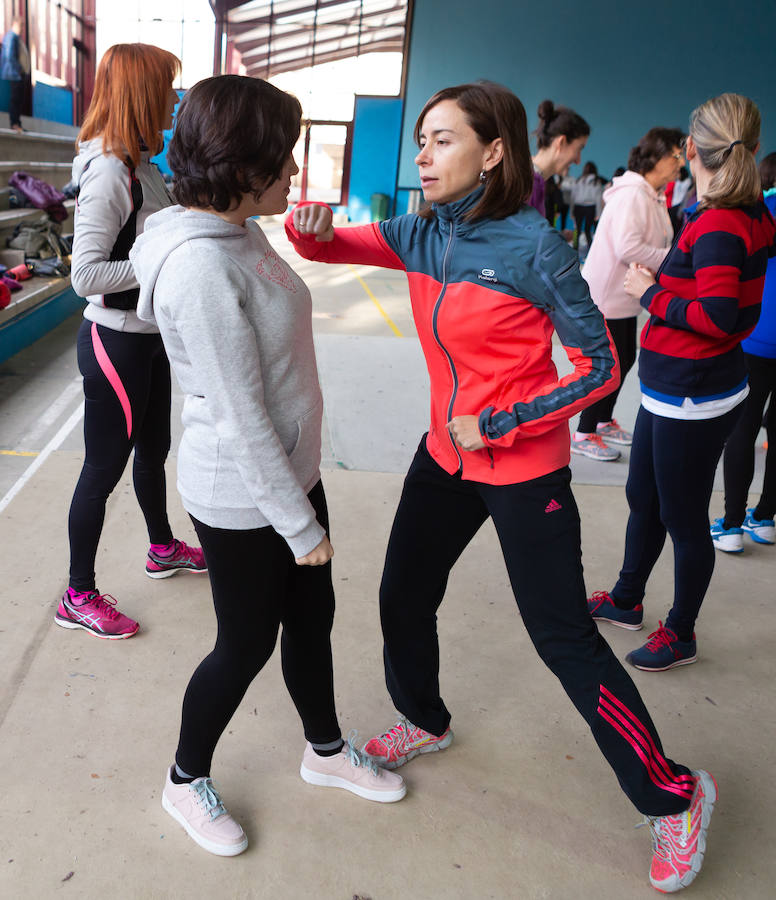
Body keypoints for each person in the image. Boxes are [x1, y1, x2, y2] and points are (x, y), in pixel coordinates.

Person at [287, 80, 717, 894]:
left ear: (493, 153)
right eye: (421, 139)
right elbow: (328, 247)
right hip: (442, 460)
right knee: (401, 597)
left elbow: (600, 366)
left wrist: (504, 420)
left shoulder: (536, 250)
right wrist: (308, 230)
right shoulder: (420, 233)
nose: (422, 153)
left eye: (442, 139)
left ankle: (676, 795)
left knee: (565, 642)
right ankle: (424, 717)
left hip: (520, 467)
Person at [130, 74, 405, 859]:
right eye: (283, 160)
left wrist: (309, 232)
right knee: (244, 643)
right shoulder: (199, 268)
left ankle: (323, 751)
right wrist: (297, 522)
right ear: (240, 166)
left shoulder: (239, 230)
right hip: (246, 496)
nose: (295, 173)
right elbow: (242, 414)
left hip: (290, 475)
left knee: (312, 621)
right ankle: (184, 779)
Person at [588, 94, 775, 675]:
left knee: (683, 516)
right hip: (673, 388)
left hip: (691, 397)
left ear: (692, 149)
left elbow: (721, 319)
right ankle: (625, 598)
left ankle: (681, 632)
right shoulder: (735, 210)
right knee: (643, 495)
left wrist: (650, 294)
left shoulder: (720, 221)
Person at [56, 44, 206, 642]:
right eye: (168, 88)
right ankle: (78, 594)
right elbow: (85, 277)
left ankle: (161, 548)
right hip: (114, 343)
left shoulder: (142, 166)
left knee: (153, 450)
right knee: (102, 469)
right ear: (141, 95)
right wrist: (159, 262)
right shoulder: (109, 174)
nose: (175, 98)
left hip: (149, 339)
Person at [573, 128, 684, 461]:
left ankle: (604, 422)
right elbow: (627, 246)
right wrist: (674, 260)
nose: (681, 163)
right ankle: (583, 432)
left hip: (626, 298)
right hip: (606, 296)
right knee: (608, 367)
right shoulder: (633, 194)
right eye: (676, 156)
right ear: (657, 157)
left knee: (625, 360)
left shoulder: (651, 192)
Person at [710, 151, 776, 551]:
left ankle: (732, 524)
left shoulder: (758, 212)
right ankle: (766, 518)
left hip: (755, 339)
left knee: (743, 427)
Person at [529, 99, 589, 219]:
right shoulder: (527, 185)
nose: (578, 161)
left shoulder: (535, 181)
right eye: (578, 149)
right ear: (561, 142)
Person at [1, 16, 30, 132]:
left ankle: (17, 123)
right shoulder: (11, 37)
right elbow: (9, 56)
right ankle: (14, 124)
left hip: (18, 74)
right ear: (14, 24)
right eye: (21, 25)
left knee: (19, 99)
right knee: (15, 99)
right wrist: (19, 69)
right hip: (15, 74)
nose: (22, 28)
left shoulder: (16, 38)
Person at [570, 160, 604, 250]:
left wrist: (571, 211)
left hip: (578, 207)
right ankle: (591, 250)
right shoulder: (597, 182)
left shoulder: (579, 180)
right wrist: (598, 213)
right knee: (588, 230)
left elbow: (573, 197)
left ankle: (574, 248)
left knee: (577, 229)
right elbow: (598, 199)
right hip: (590, 207)